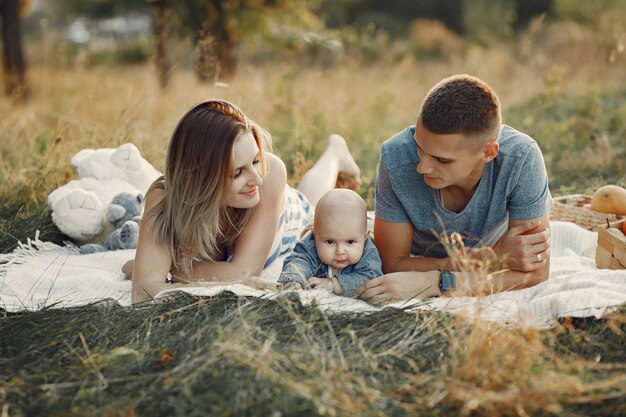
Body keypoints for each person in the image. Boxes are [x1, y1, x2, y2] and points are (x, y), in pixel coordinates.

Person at [128, 99, 361, 304]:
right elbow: (143, 293)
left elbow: (243, 275)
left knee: (316, 204)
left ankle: (334, 152)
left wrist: (170, 268)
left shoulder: (269, 176)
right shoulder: (163, 198)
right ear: (199, 180)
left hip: (289, 213)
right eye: (238, 173)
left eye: (256, 160)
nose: (256, 178)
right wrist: (157, 275)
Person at [357, 74, 552, 303]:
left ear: (488, 153)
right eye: (419, 147)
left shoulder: (521, 159)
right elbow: (392, 264)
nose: (422, 167)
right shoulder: (396, 157)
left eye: (443, 160)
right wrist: (492, 258)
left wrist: (437, 282)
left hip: (487, 248)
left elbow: (535, 273)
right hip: (454, 251)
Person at [278, 189, 382, 297]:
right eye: (330, 242)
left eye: (350, 242)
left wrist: (333, 284)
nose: (340, 251)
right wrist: (294, 280)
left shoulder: (368, 252)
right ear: (315, 235)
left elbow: (371, 278)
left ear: (365, 237)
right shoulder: (312, 244)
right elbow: (299, 262)